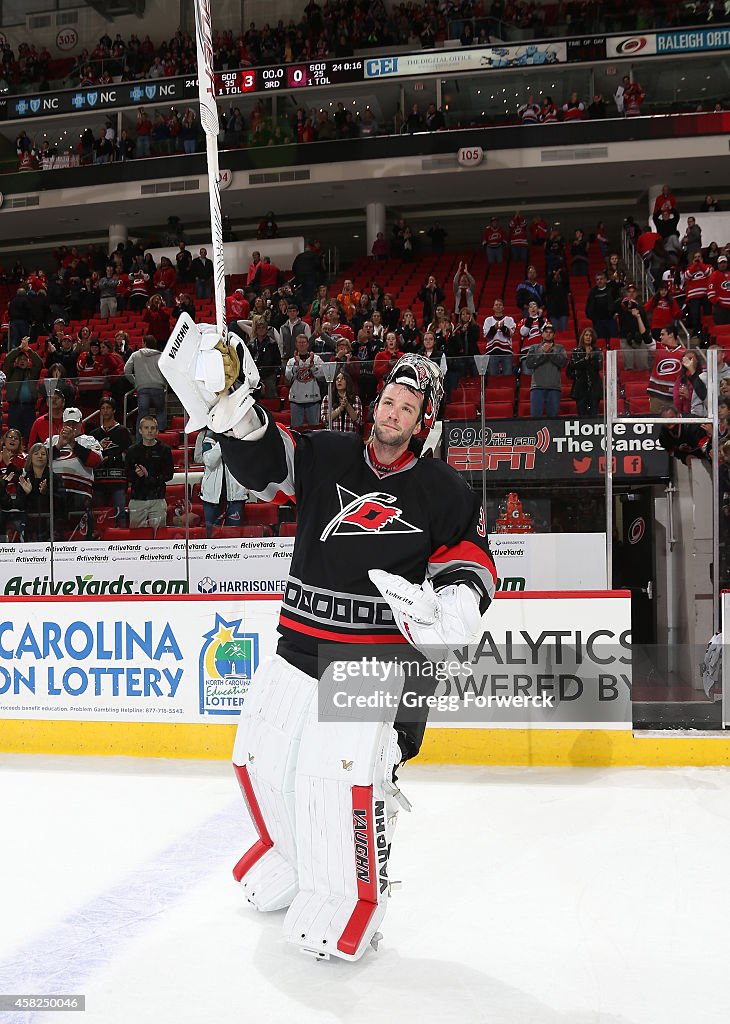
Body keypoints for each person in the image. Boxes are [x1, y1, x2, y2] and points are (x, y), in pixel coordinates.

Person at [173, 346, 495, 962]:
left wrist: (452, 605)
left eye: (408, 407)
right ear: (375, 406)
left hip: (377, 663)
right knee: (258, 760)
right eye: (389, 401)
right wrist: (235, 411)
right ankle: (293, 861)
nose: (394, 413)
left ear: (423, 421)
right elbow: (268, 463)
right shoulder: (327, 454)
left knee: (335, 776)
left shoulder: (444, 490)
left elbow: (471, 563)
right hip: (299, 646)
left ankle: (351, 897)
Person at [50, 407, 103, 538]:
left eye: (74, 423)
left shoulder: (88, 440)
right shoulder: (52, 440)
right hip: (53, 492)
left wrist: (73, 443)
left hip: (80, 492)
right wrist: (58, 446)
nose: (71, 426)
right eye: (68, 423)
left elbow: (95, 461)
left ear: (81, 424)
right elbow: (38, 461)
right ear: (63, 424)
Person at [195, 428, 248, 536]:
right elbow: (210, 462)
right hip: (211, 496)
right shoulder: (207, 439)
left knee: (234, 533)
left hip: (236, 494)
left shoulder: (240, 437)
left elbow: (243, 460)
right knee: (211, 533)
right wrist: (222, 442)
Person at [124, 415, 174, 532]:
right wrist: (137, 475)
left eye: (152, 428)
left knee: (159, 535)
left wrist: (149, 477)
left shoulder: (164, 450)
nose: (149, 431)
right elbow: (127, 474)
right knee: (137, 536)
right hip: (137, 499)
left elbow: (169, 474)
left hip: (157, 499)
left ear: (157, 431)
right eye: (146, 428)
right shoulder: (132, 450)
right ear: (140, 430)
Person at [91, 397, 132, 525]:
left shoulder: (123, 431)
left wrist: (114, 457)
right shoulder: (94, 434)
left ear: (114, 410)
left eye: (108, 408)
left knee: (120, 514)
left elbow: (129, 454)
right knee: (99, 515)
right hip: (99, 480)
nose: (105, 411)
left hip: (118, 480)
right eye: (103, 408)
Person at [18, 443, 65, 542]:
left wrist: (46, 492)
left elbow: (63, 503)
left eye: (43, 454)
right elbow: (20, 505)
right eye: (36, 453)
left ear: (47, 458)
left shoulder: (55, 478)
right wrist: (27, 493)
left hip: (51, 526)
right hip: (29, 526)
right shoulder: (24, 480)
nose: (40, 456)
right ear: (30, 458)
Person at [124, 335, 168, 437]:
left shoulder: (135, 355)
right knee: (160, 411)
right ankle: (161, 436)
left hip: (142, 388)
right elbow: (167, 370)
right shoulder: (160, 355)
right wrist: (164, 383)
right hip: (158, 388)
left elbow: (126, 370)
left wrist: (135, 383)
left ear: (144, 343)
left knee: (142, 416)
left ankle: (140, 440)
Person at [525, 324, 567, 417]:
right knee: (535, 418)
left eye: (551, 332)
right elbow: (529, 364)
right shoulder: (534, 348)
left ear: (554, 335)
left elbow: (563, 363)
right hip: (537, 387)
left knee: (553, 419)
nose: (548, 334)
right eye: (546, 332)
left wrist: (550, 352)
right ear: (542, 334)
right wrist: (544, 353)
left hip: (554, 387)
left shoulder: (560, 348)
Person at [4, 342, 43, 445]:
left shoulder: (32, 373)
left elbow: (38, 363)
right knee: (14, 434)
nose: (22, 361)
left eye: (25, 359)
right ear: (16, 362)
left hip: (29, 408)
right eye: (20, 359)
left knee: (30, 434)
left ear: (28, 362)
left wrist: (29, 350)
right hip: (15, 407)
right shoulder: (11, 372)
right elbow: (7, 360)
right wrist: (19, 348)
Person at [285, 334, 325, 427]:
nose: (301, 344)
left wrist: (313, 366)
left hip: (313, 398)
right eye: (299, 342)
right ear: (296, 344)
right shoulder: (291, 361)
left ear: (307, 344)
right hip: (296, 399)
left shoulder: (316, 359)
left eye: (303, 342)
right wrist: (296, 365)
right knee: (296, 429)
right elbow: (288, 377)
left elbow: (323, 375)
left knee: (314, 428)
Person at [567, 328, 603, 417]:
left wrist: (590, 357)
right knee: (581, 414)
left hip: (594, 386)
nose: (588, 337)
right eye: (586, 335)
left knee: (594, 414)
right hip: (580, 387)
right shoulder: (576, 351)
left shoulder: (598, 351)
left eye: (590, 335)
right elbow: (574, 365)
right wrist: (587, 357)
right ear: (583, 337)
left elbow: (598, 366)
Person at [0, 429, 26, 541]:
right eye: (10, 437)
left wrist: (8, 463)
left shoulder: (25, 458)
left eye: (16, 438)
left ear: (20, 442)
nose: (13, 439)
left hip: (19, 499)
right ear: (4, 440)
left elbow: (23, 477)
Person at [482, 299, 515, 376]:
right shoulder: (488, 320)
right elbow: (487, 336)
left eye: (500, 305)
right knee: (493, 378)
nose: (498, 306)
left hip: (506, 352)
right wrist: (494, 328)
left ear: (503, 307)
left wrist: (503, 328)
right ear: (493, 307)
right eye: (496, 305)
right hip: (492, 351)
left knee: (507, 377)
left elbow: (511, 334)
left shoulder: (509, 319)